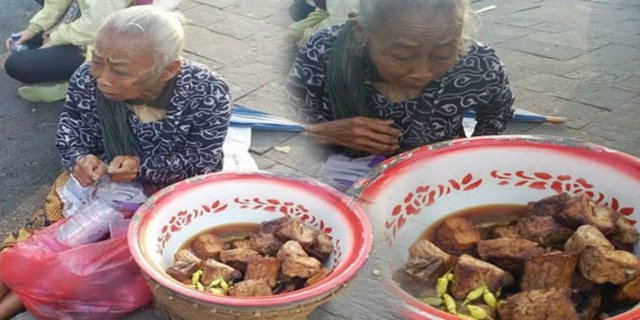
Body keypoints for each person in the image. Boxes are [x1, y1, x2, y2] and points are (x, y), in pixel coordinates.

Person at [0, 5, 231, 319]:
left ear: (168, 70)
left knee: (78, 266)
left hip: (168, 192)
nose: (102, 79)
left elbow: (203, 161)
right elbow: (73, 128)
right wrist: (80, 158)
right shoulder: (86, 77)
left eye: (120, 70)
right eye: (98, 61)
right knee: (33, 248)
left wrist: (144, 168)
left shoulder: (206, 91)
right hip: (101, 183)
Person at [287, 0, 515, 190]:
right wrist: (324, 133)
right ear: (360, 31)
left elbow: (498, 112)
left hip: (437, 178)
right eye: (402, 57)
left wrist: (467, 158)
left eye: (443, 54)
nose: (422, 73)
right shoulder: (323, 52)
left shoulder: (478, 64)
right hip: (345, 176)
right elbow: (290, 124)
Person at [4, 0, 133, 103]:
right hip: (87, 25)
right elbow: (58, 2)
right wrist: (33, 28)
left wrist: (55, 39)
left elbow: (94, 26)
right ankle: (78, 81)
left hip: (108, 44)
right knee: (28, 43)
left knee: (17, 64)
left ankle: (80, 83)